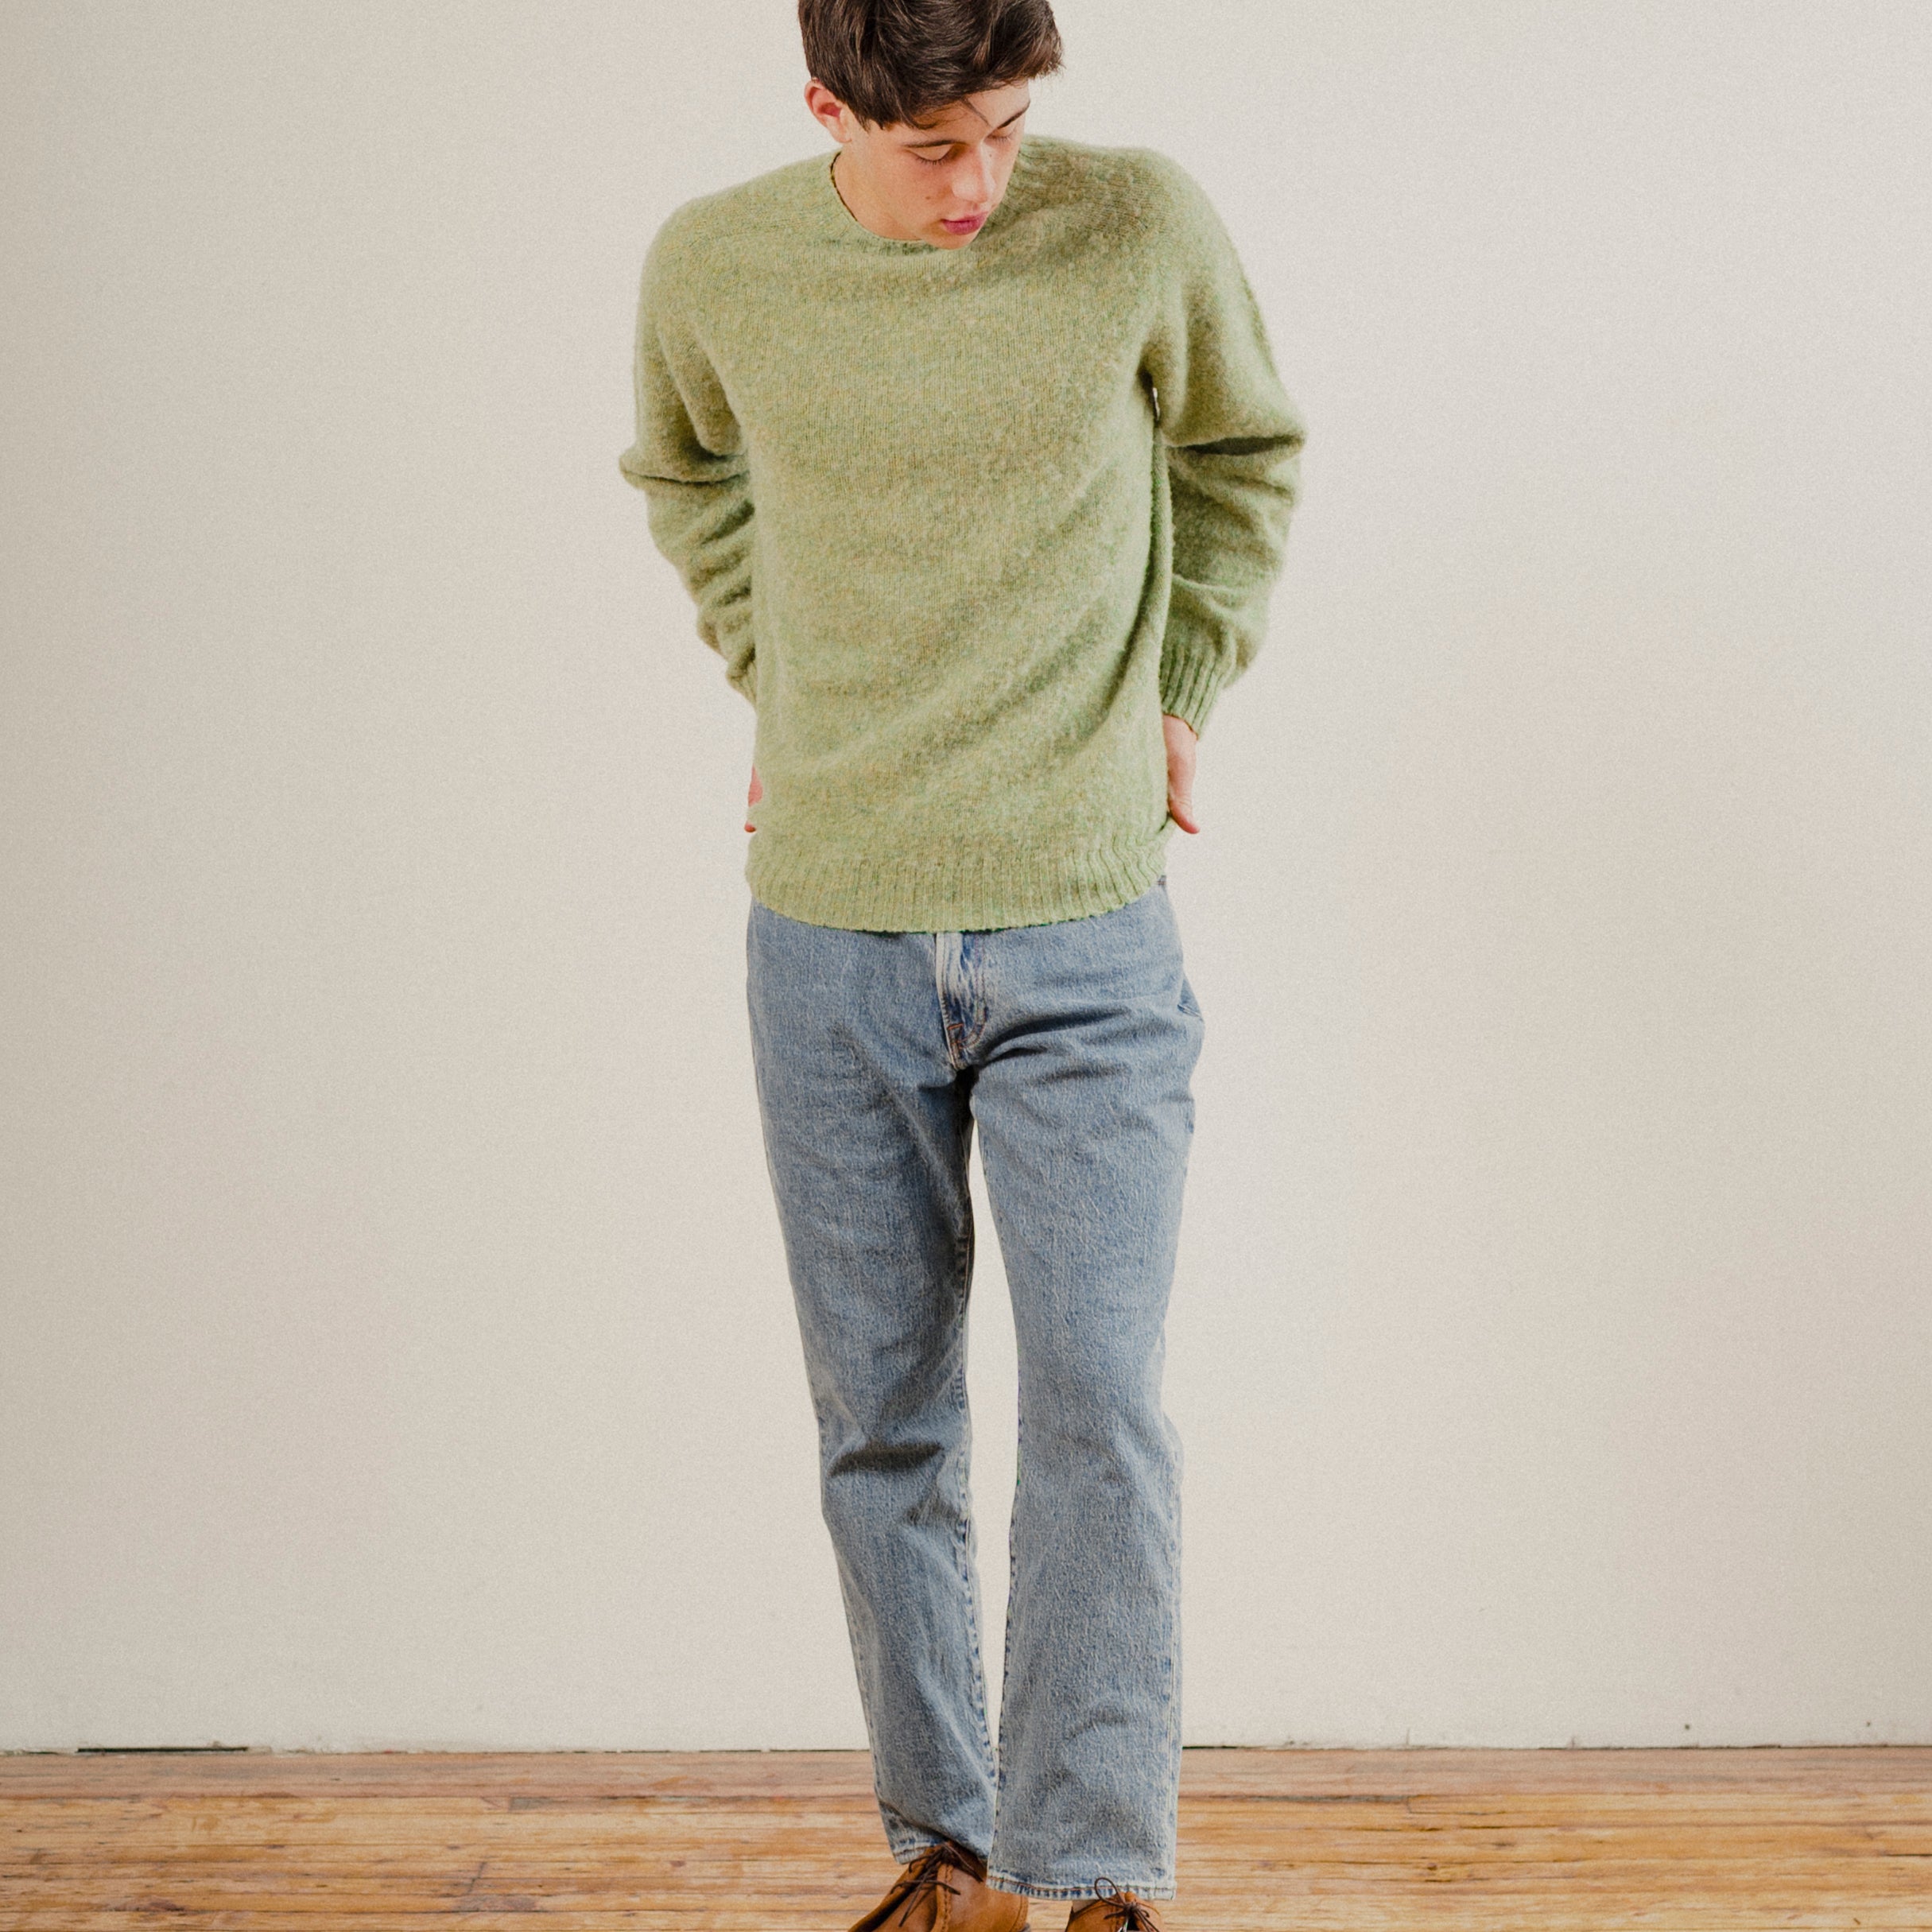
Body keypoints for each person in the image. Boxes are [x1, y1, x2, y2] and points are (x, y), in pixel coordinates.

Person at [619, 2, 1305, 1925]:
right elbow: (684, 479)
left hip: (1085, 916)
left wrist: (1179, 686)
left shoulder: (1139, 227)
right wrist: (784, 668)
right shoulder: (717, 265)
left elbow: (1246, 454)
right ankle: (952, 1855)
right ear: (831, 107)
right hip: (827, 928)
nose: (983, 182)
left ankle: (1100, 1877)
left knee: (1098, 1403)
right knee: (884, 1419)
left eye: (1010, 129)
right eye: (937, 146)